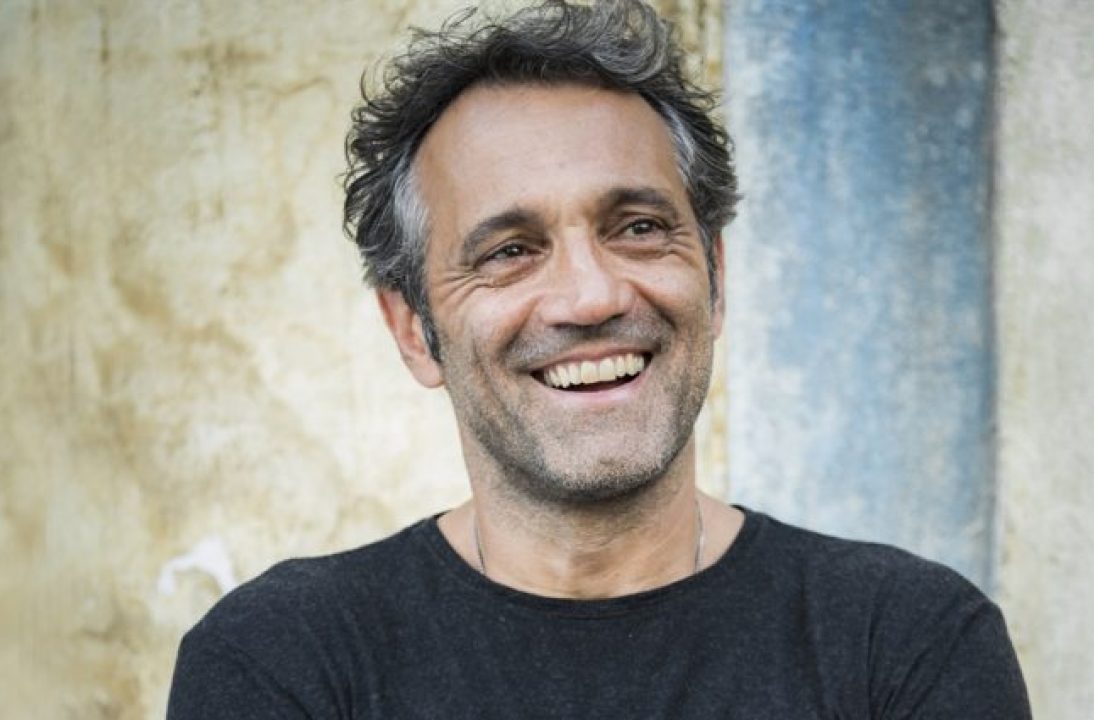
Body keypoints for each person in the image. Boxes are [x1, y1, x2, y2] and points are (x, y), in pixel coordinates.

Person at [167, 1, 1031, 717]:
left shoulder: (904, 644)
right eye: (509, 250)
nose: (591, 297)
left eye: (640, 228)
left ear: (716, 279)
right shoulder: (284, 662)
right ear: (412, 328)